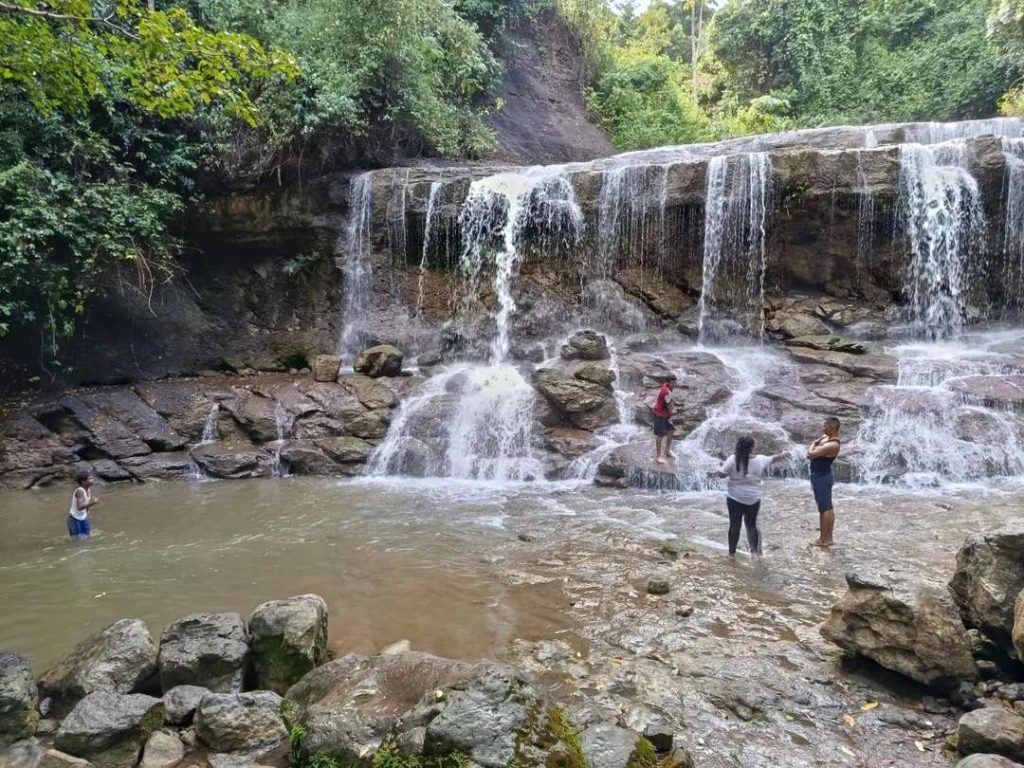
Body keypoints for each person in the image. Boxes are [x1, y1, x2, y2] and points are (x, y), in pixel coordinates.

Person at [714, 436, 788, 558]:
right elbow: (775, 458)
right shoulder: (761, 460)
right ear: (752, 447)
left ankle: (731, 554)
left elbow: (722, 475)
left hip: (735, 498)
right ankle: (754, 553)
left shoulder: (733, 459)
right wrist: (784, 453)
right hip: (753, 498)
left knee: (734, 526)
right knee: (751, 525)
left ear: (738, 446)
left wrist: (718, 471)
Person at [807, 417, 841, 548]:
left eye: (824, 426)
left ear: (831, 427)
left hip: (821, 477)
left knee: (824, 509)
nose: (822, 429)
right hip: (823, 475)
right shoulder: (828, 438)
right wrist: (818, 443)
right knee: (828, 507)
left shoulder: (833, 444)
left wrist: (813, 444)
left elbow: (811, 454)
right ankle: (829, 537)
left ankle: (823, 540)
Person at [652, 376, 676, 465]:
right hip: (660, 414)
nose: (674, 384)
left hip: (666, 414)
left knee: (671, 429)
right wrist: (674, 410)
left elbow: (670, 401)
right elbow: (671, 409)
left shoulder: (667, 386)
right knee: (660, 434)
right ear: (668, 382)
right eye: (672, 383)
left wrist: (673, 407)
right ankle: (658, 456)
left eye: (675, 382)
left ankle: (667, 450)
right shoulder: (666, 391)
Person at [68, 470, 97, 540]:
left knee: (87, 536)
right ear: (83, 482)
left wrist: (87, 511)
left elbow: (85, 502)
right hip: (74, 519)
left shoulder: (88, 489)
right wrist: (93, 503)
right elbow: (79, 507)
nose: (93, 480)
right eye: (90, 479)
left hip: (83, 517)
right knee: (78, 540)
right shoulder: (80, 491)